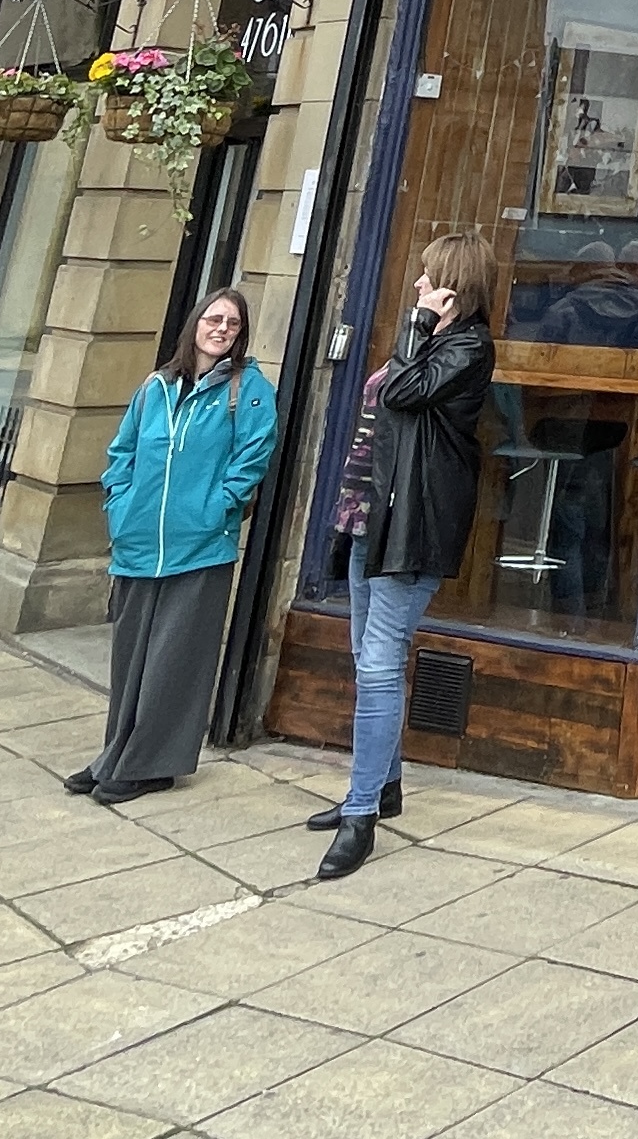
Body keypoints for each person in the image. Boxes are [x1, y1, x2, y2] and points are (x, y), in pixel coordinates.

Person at [314, 228, 489, 882]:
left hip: (411, 530)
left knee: (382, 662)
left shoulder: (468, 347)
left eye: (428, 278)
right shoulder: (431, 343)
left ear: (454, 288)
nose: (416, 286)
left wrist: (420, 324)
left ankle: (361, 813)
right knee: (367, 657)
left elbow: (402, 394)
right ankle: (382, 789)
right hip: (371, 521)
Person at [70, 285, 276, 804]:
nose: (222, 329)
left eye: (233, 323)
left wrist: (218, 507)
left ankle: (151, 764)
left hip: (201, 546)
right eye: (214, 319)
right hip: (139, 543)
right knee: (131, 660)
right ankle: (115, 753)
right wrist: (120, 505)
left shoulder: (248, 390)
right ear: (195, 324)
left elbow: (252, 459)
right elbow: (122, 452)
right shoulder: (157, 386)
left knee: (174, 660)